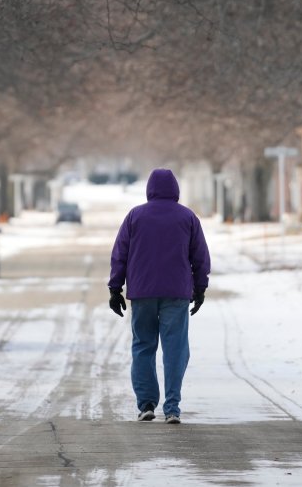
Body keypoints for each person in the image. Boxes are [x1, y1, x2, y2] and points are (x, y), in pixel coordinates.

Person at [108, 168, 211, 424]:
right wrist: (200, 288)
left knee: (143, 346)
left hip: (142, 293)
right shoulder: (187, 217)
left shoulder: (135, 216)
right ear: (175, 189)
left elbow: (120, 253)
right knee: (175, 349)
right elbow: (200, 257)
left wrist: (115, 288)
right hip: (176, 292)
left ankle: (146, 404)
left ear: (149, 189)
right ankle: (172, 407)